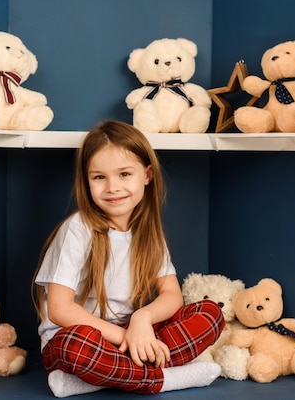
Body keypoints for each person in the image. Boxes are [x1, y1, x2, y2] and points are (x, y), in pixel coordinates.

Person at [32, 120, 224, 397]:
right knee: (75, 346)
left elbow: (172, 295)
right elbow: (61, 310)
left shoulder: (148, 232)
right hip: (81, 337)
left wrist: (142, 320)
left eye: (124, 174)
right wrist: (128, 339)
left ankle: (99, 380)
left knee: (210, 313)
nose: (112, 187)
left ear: (147, 175)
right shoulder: (78, 228)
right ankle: (164, 378)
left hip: (130, 333)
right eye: (99, 177)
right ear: (86, 181)